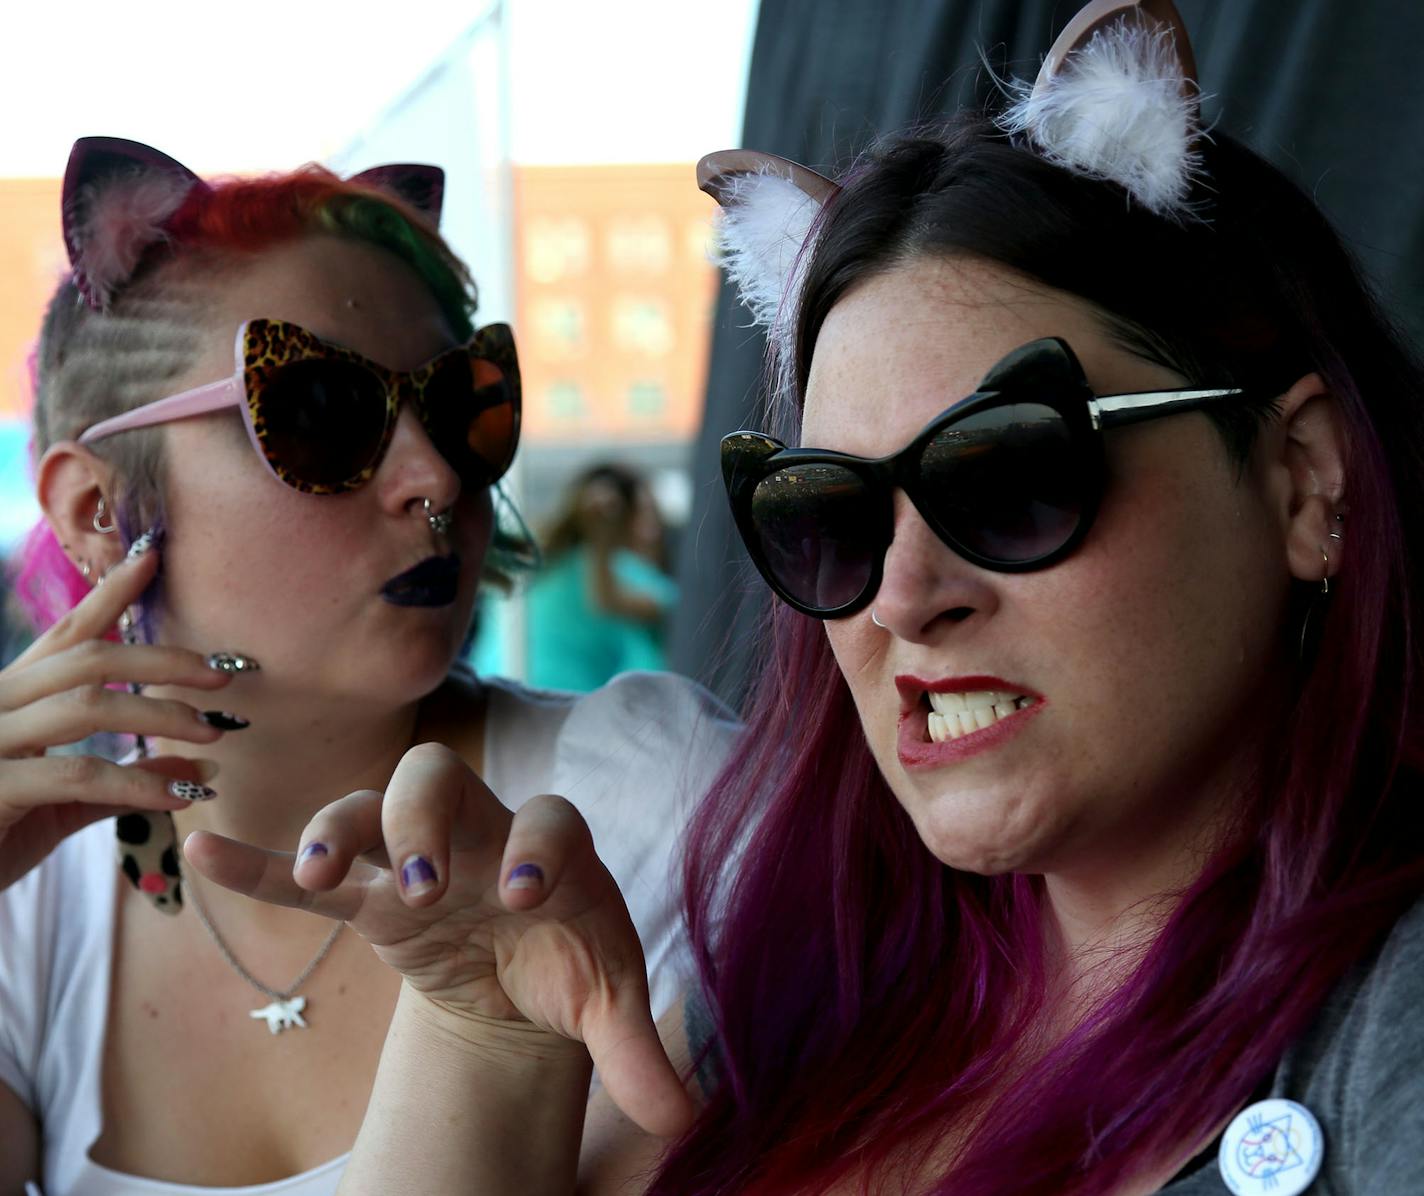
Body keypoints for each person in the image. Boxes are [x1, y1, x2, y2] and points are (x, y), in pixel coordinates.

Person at [189, 1, 1424, 1192]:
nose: (897, 594)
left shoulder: (1387, 1031)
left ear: (1302, 480)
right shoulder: (795, 999)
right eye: (827, 514)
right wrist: (482, 1038)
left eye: (1005, 472)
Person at [0, 138, 737, 1194]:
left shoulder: (649, 802)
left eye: (462, 400)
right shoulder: (30, 896)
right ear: (97, 508)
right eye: (318, 411)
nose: (434, 474)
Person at [521, 462, 678, 692]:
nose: (653, 529)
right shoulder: (622, 570)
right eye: (646, 513)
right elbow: (677, 607)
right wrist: (603, 541)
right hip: (566, 708)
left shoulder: (542, 564)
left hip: (504, 691)